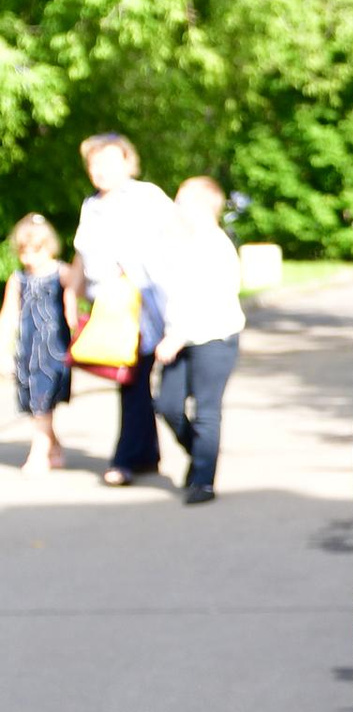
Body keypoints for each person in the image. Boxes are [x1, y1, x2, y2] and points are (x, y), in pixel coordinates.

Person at [72, 135, 176, 486]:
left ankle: (131, 457)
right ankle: (141, 456)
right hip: (115, 312)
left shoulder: (147, 196)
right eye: (94, 164)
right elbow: (84, 259)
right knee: (133, 382)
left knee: (138, 382)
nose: (100, 171)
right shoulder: (91, 206)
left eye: (109, 162)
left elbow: (177, 238)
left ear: (128, 162)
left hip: (151, 306)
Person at [152, 177, 247, 505]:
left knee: (207, 410)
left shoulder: (215, 245)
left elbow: (208, 300)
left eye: (182, 201)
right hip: (180, 339)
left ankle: (203, 481)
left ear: (203, 205)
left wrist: (176, 337)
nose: (176, 209)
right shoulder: (185, 242)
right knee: (167, 404)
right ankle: (200, 453)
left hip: (213, 339)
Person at [6, 212, 76, 475]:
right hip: (27, 350)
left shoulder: (61, 273)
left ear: (48, 247)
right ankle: (53, 446)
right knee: (34, 401)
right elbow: (9, 315)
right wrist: (4, 350)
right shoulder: (18, 279)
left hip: (53, 350)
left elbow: (75, 301)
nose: (28, 259)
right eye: (23, 252)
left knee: (43, 399)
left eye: (34, 251)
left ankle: (39, 452)